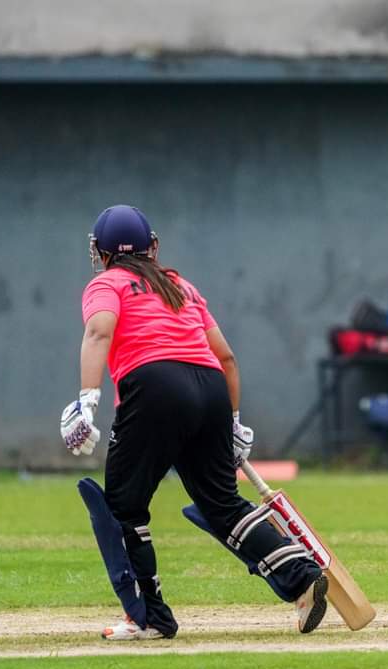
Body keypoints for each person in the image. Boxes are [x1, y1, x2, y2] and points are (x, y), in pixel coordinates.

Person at [60, 205, 328, 640]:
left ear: (101, 251)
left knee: (122, 508)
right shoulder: (180, 285)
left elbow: (98, 332)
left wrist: (86, 401)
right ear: (153, 247)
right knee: (222, 502)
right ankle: (301, 578)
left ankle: (148, 617)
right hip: (210, 387)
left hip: (155, 386)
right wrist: (234, 423)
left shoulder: (106, 283)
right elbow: (227, 358)